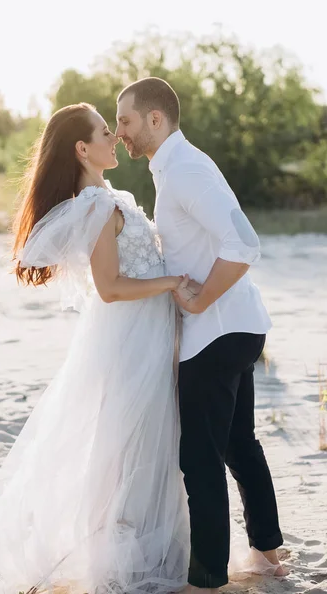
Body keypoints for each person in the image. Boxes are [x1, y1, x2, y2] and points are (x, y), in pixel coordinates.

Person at [0, 102, 191, 594]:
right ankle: (119, 554)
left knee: (152, 440)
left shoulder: (114, 198)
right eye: (106, 132)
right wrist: (172, 282)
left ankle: (157, 546)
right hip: (129, 337)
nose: (116, 138)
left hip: (147, 330)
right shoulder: (99, 206)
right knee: (127, 442)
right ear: (83, 149)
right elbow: (109, 287)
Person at [116, 77, 286, 593]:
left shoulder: (186, 170)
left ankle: (208, 577)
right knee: (238, 443)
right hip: (235, 327)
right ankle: (267, 553)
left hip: (217, 331)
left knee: (199, 458)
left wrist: (198, 299)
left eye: (124, 120)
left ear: (154, 119)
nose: (119, 130)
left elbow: (245, 242)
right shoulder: (175, 169)